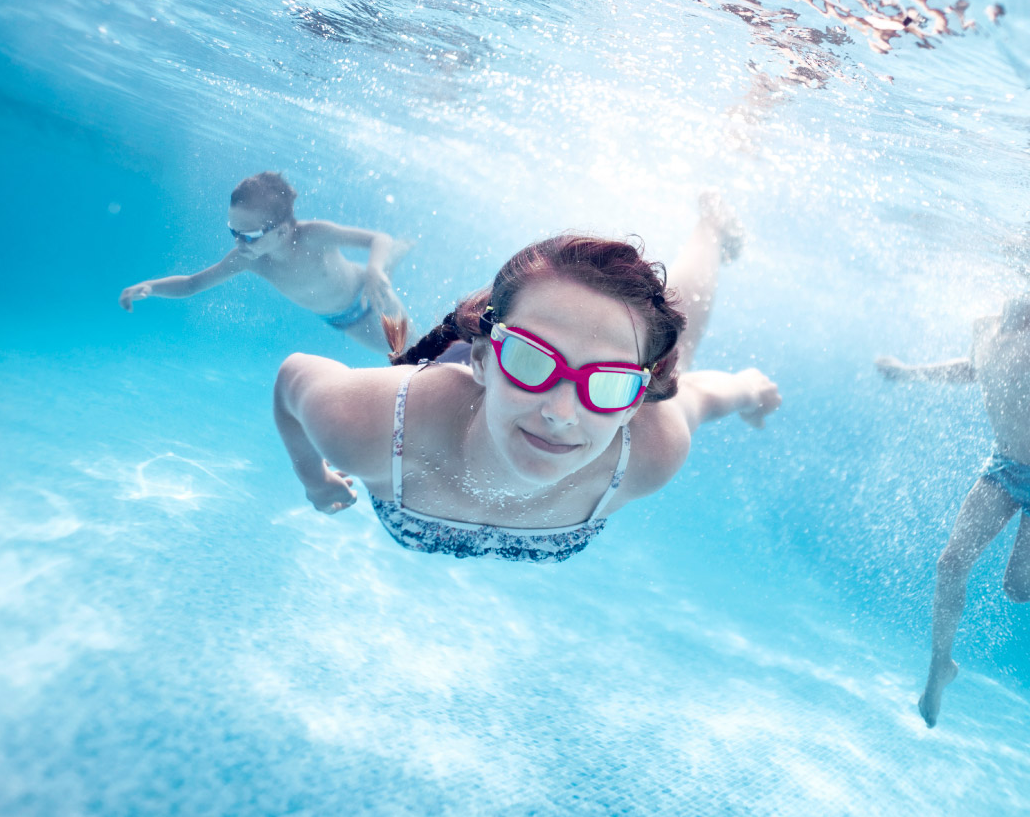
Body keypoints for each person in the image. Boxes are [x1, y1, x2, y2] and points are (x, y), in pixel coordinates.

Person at [272, 192, 779, 563]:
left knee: (684, 369)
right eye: (533, 360)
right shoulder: (364, 425)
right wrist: (312, 479)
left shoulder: (650, 450)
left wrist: (746, 393)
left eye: (609, 383)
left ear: (631, 403)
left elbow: (698, 400)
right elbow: (292, 377)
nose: (560, 413)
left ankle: (712, 234)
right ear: (482, 360)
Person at [875, 288, 1030, 727]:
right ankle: (941, 665)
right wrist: (908, 373)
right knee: (951, 563)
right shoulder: (983, 326)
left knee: (1019, 590)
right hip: (1003, 466)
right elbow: (971, 370)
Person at [119, 172, 412, 354]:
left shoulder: (314, 235)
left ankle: (388, 265)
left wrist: (374, 270)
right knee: (402, 358)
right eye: (233, 232)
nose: (238, 243)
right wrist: (151, 287)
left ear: (282, 231)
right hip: (345, 320)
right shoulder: (251, 260)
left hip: (370, 292)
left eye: (248, 235)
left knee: (422, 346)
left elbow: (378, 239)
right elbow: (193, 283)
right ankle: (387, 268)